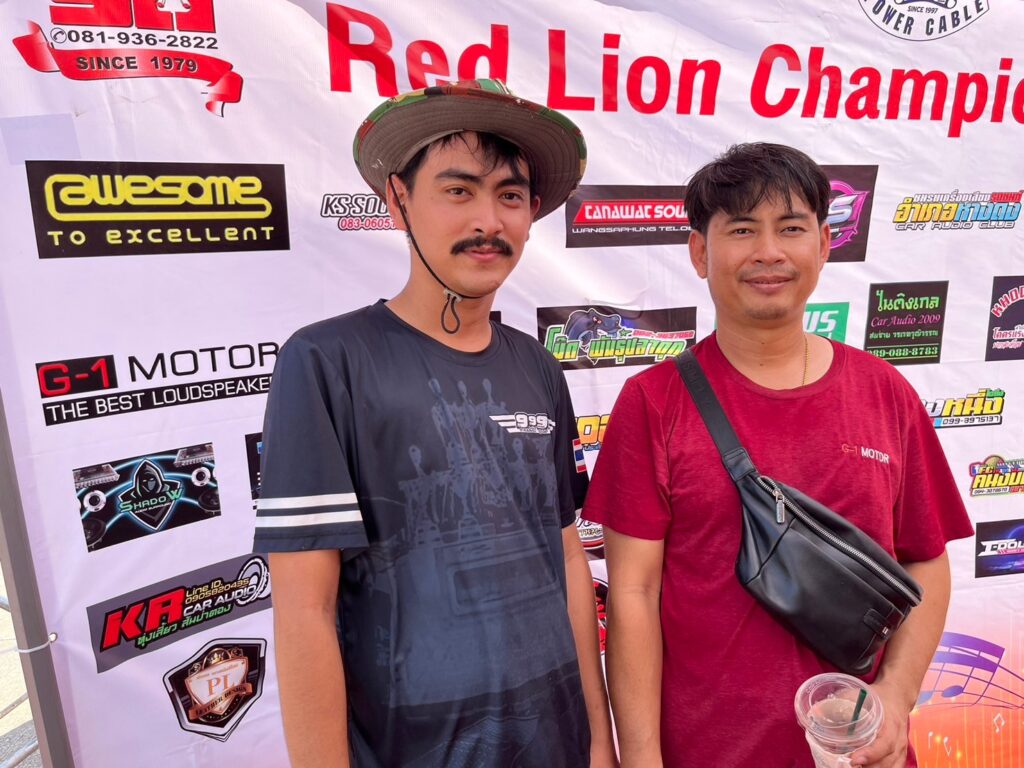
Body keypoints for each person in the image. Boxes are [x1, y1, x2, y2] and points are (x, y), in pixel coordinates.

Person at [252, 79, 615, 768]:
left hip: (557, 743)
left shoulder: (539, 366)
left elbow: (568, 554)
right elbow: (303, 611)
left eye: (510, 196)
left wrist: (599, 738)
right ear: (398, 201)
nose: (488, 220)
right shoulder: (326, 361)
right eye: (458, 190)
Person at [582, 143, 973, 768]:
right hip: (706, 750)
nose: (769, 252)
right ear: (700, 253)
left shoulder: (884, 392)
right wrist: (643, 757)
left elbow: (926, 561)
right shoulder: (653, 402)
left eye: (790, 228)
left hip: (860, 753)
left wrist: (896, 697)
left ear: (824, 243)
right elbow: (633, 590)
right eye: (742, 230)